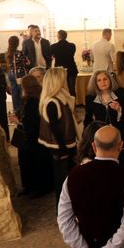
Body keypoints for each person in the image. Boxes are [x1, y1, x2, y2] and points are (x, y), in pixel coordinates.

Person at [39, 67, 79, 203]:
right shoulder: (52, 102)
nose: (66, 82)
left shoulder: (62, 98)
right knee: (62, 182)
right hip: (60, 147)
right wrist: (62, 148)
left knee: (69, 179)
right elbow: (54, 128)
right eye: (64, 79)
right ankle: (62, 209)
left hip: (67, 144)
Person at [84, 69, 124, 169]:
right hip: (101, 138)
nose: (102, 82)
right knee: (106, 166)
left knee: (123, 164)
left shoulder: (119, 93)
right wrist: (86, 137)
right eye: (99, 80)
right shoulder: (90, 98)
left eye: (105, 79)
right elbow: (88, 119)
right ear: (95, 83)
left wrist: (120, 109)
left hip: (121, 134)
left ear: (110, 80)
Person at [17, 75, 52, 197]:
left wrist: (18, 122)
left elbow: (30, 123)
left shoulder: (32, 102)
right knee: (34, 163)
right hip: (39, 137)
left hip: (33, 138)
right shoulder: (39, 98)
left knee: (32, 163)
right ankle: (33, 187)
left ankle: (36, 187)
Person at [50, 29, 79, 97]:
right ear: (66, 36)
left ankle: (63, 103)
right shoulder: (72, 45)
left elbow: (52, 57)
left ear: (58, 36)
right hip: (71, 69)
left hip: (59, 70)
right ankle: (73, 102)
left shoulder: (53, 46)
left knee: (61, 89)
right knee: (72, 89)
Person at [5, 35, 27, 114]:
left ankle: (15, 109)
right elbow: (26, 62)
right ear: (17, 43)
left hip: (10, 74)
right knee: (21, 92)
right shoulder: (19, 53)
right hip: (19, 74)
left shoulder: (7, 53)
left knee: (14, 92)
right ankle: (21, 110)